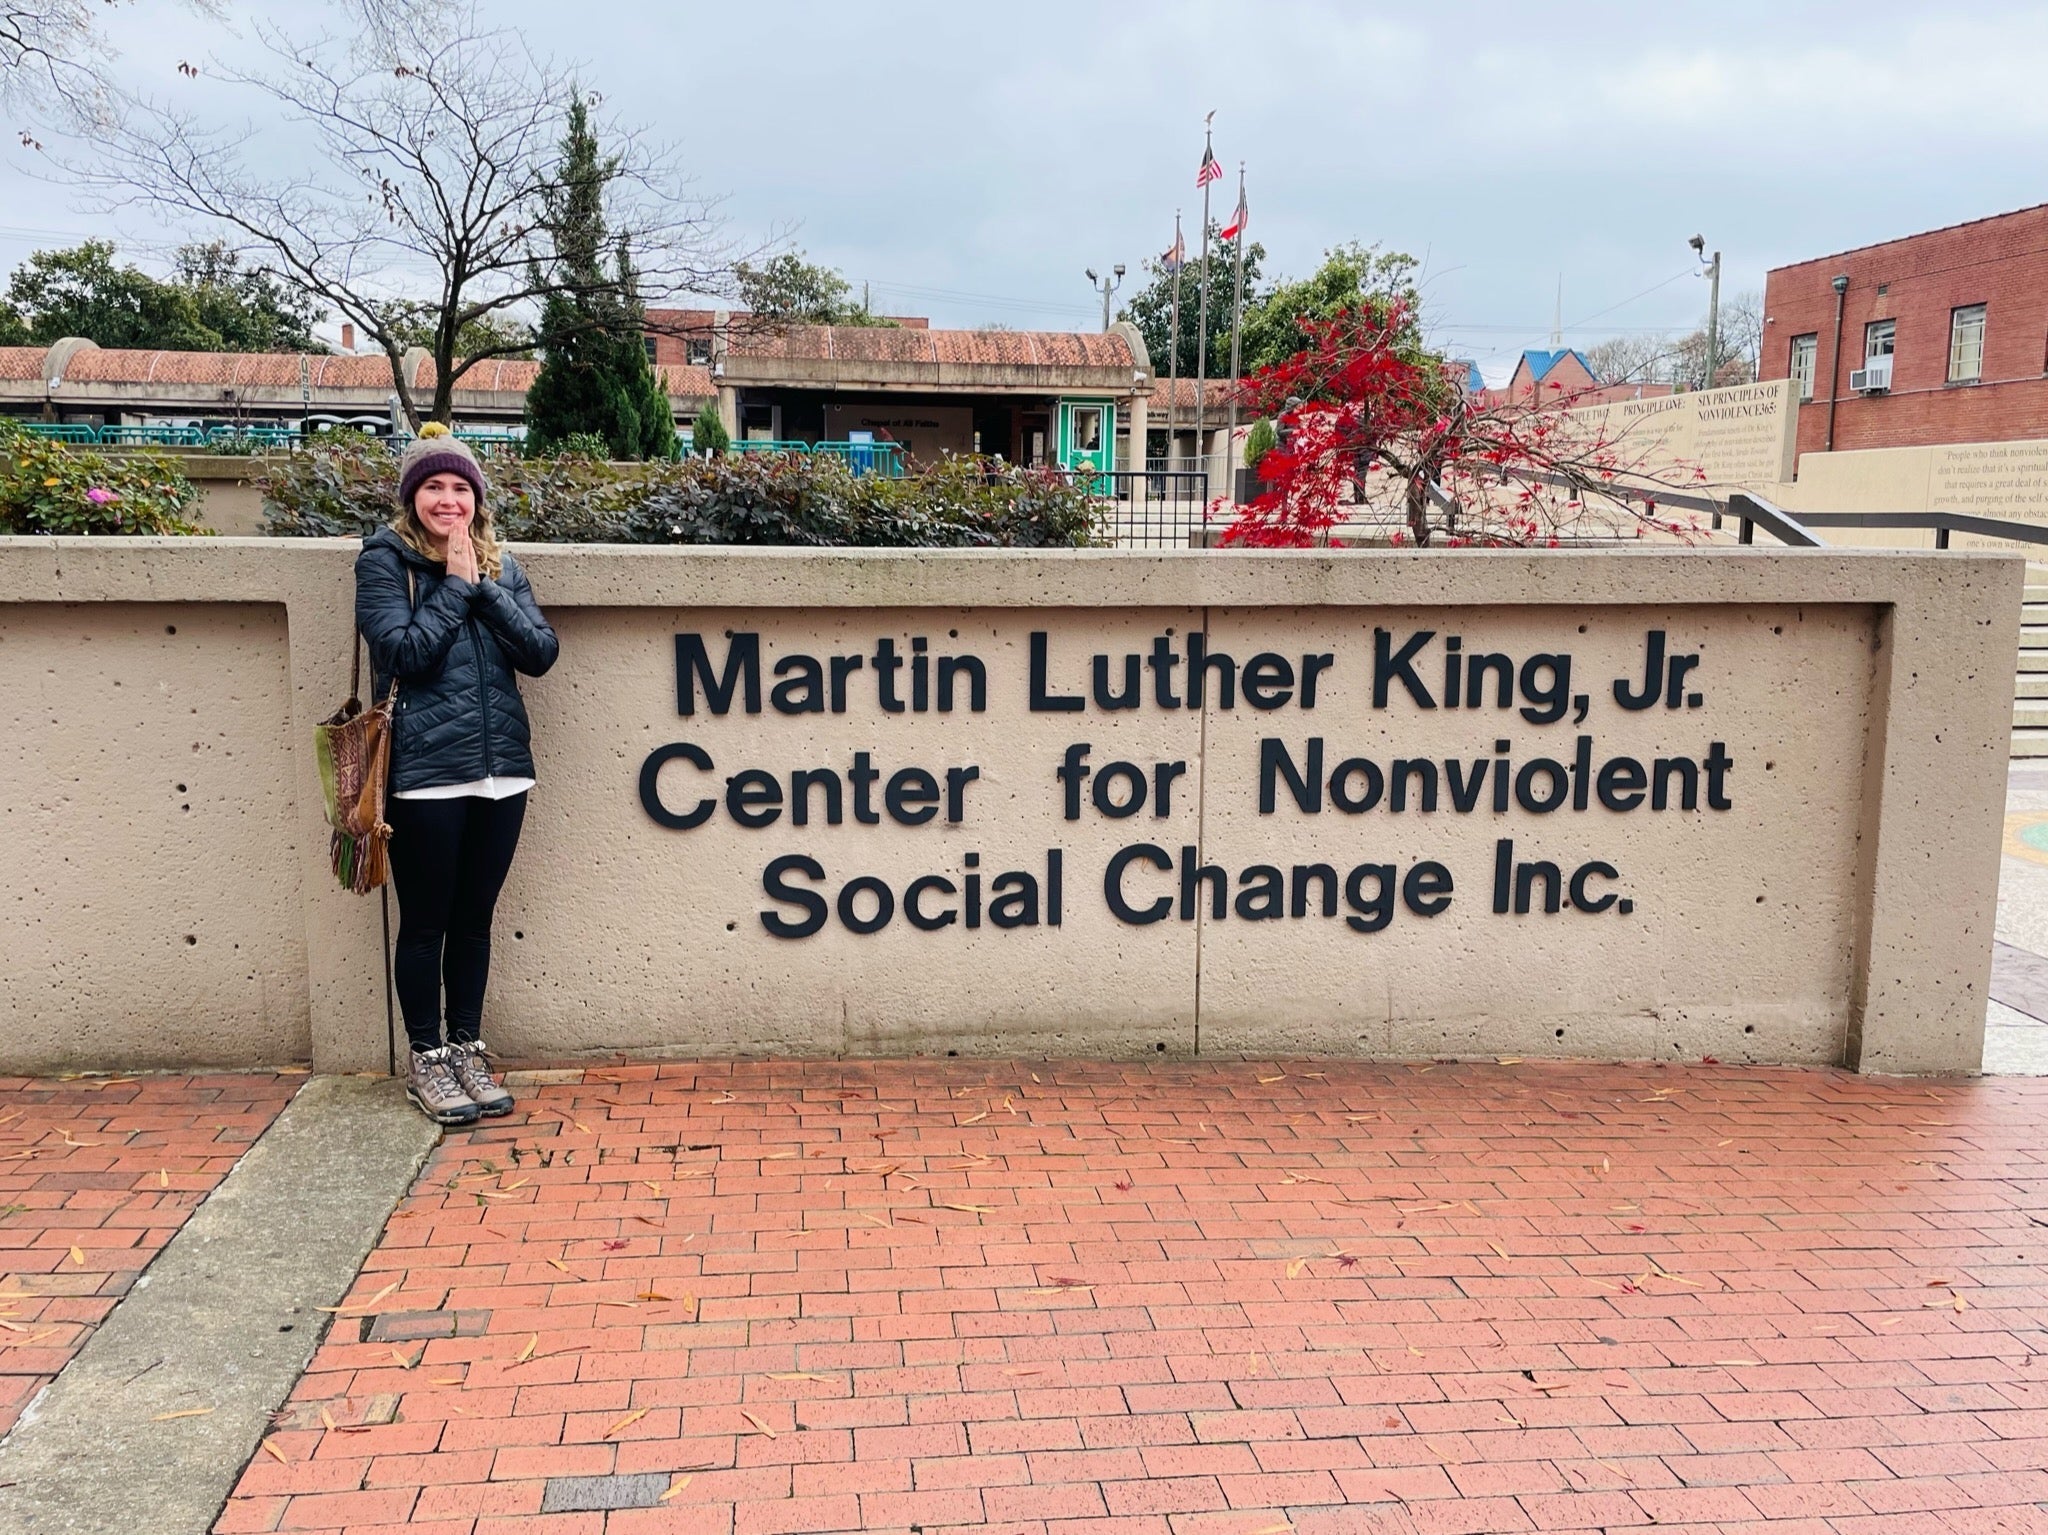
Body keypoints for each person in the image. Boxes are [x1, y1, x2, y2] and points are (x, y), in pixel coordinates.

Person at [355, 423, 559, 1125]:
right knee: (427, 923)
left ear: (478, 497)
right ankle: (427, 1058)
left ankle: (468, 1047)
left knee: (475, 920)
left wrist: (482, 589)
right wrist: (453, 586)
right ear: (413, 498)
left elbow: (540, 651)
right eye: (434, 487)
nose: (449, 500)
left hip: (502, 771)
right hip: (425, 774)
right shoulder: (385, 562)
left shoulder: (502, 565)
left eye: (460, 487)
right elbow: (402, 653)